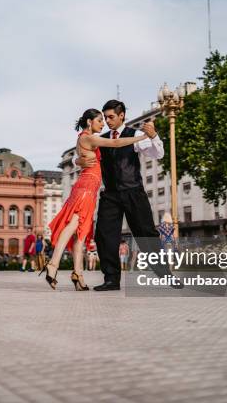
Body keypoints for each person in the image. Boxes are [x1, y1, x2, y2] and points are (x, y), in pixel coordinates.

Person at [75, 100, 183, 290]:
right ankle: (111, 279)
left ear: (122, 115)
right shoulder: (103, 139)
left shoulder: (135, 135)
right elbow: (84, 153)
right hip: (110, 195)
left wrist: (154, 135)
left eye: (111, 117)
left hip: (134, 192)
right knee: (104, 235)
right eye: (105, 117)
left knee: (146, 234)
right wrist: (79, 161)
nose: (107, 121)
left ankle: (166, 275)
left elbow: (158, 154)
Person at [43, 108, 148, 291]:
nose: (103, 123)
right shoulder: (88, 137)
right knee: (72, 227)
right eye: (100, 120)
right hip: (85, 189)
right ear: (90, 122)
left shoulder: (86, 138)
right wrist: (142, 137)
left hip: (89, 190)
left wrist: (78, 162)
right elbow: (116, 143)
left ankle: (78, 275)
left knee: (81, 234)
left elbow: (79, 158)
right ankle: (53, 264)